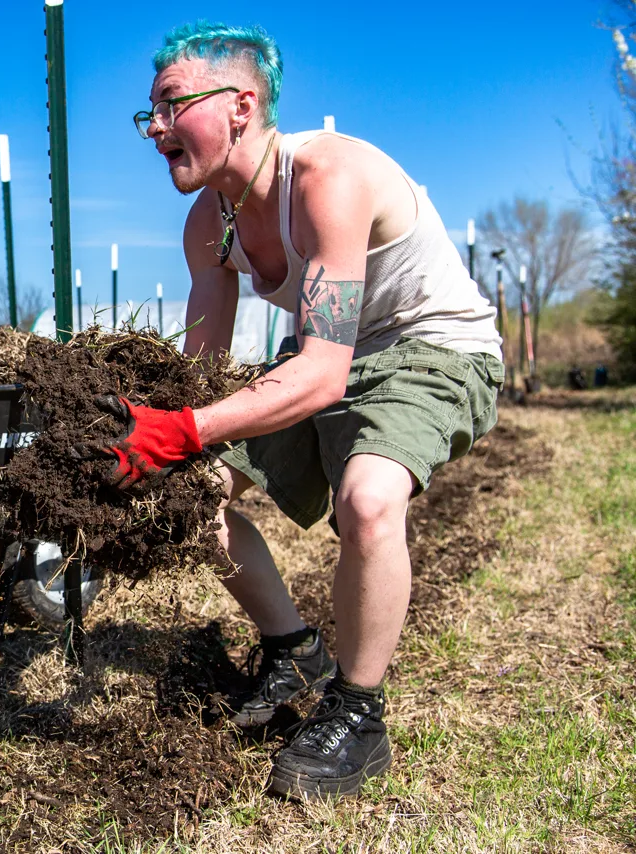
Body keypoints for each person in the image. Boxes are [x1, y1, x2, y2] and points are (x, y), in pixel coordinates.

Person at [99, 22, 504, 800]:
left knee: (369, 500)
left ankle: (358, 710)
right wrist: (146, 429)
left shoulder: (326, 177)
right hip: (330, 354)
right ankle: (291, 650)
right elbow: (202, 375)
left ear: (242, 104)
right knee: (190, 495)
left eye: (170, 105)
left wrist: (185, 429)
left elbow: (319, 375)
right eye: (146, 113)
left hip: (432, 348)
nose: (154, 128)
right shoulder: (208, 224)